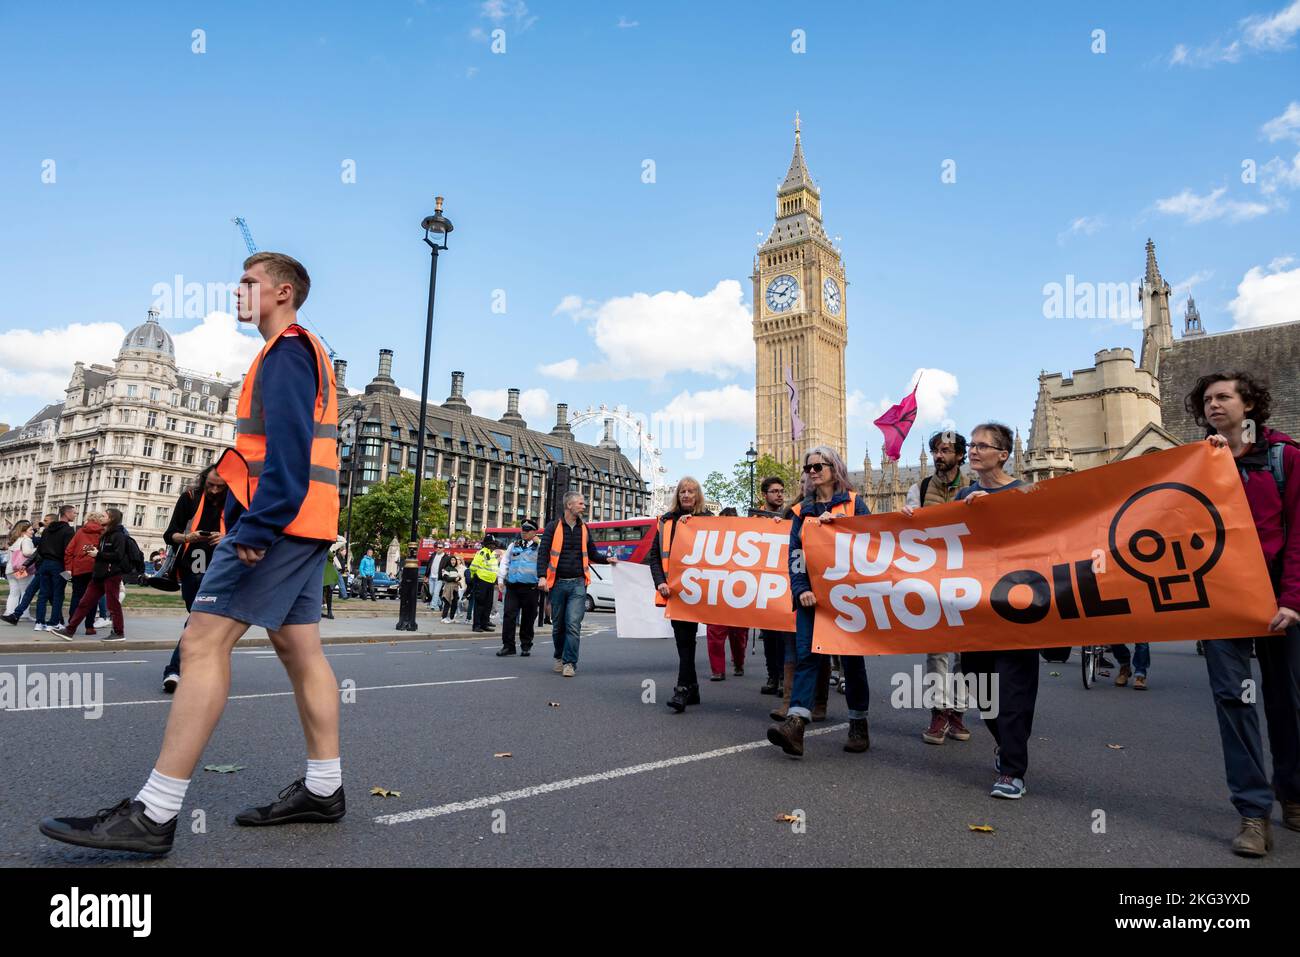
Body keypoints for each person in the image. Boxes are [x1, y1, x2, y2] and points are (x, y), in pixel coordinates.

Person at [40, 250, 344, 855]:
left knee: (202, 643)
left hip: (275, 523)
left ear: (283, 292)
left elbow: (286, 452)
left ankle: (155, 812)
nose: (238, 291)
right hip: (310, 523)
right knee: (301, 649)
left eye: (249, 282)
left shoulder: (286, 353)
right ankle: (324, 786)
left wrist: (255, 531)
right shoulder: (308, 352)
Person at [1188, 372, 1300, 857]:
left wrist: (1292, 598)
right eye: (1207, 399)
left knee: (1288, 701)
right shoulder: (1195, 464)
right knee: (1234, 701)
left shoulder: (1284, 457)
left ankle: (1293, 793)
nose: (1213, 405)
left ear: (1249, 403)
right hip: (1222, 598)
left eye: (1223, 397)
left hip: (1279, 597)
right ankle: (1253, 813)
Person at [947, 422, 1035, 799]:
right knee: (980, 686)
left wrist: (1000, 510)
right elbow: (938, 540)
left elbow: (1043, 538)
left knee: (1014, 689)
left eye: (984, 445)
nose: (974, 450)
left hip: (1019, 606)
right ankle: (1005, 744)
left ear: (1003, 454)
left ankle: (1013, 770)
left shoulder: (1027, 492)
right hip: (976, 608)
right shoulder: (965, 494)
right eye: (973, 445)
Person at [767, 446, 871, 757]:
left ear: (833, 468)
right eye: (808, 467)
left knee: (852, 661)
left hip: (848, 596)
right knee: (807, 658)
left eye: (818, 466)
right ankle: (796, 724)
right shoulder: (802, 511)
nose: (812, 472)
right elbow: (795, 555)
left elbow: (872, 546)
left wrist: (839, 530)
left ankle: (858, 722)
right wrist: (800, 590)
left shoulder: (854, 504)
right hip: (811, 597)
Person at [902, 431, 974, 745]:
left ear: (960, 455)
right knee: (937, 652)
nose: (938, 456)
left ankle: (958, 711)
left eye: (945, 450)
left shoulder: (976, 488)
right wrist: (902, 519)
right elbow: (903, 533)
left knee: (967, 653)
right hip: (933, 578)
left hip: (970, 578)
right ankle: (939, 711)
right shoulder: (919, 489)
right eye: (935, 451)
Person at [158, 467, 230, 692]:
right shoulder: (189, 498)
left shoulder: (235, 502)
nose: (215, 490)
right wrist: (188, 537)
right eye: (210, 485)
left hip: (222, 568)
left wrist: (227, 537)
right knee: (199, 620)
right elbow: (170, 534)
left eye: (220, 487)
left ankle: (174, 670)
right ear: (203, 480)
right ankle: (197, 666)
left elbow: (248, 531)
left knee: (198, 620)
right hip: (192, 566)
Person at [537, 490, 618, 677]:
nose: (584, 506)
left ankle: (570, 663)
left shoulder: (584, 528)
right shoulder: (553, 527)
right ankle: (558, 656)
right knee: (558, 626)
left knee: (573, 624)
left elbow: (592, 553)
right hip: (557, 584)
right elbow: (543, 553)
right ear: (569, 505)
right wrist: (542, 576)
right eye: (580, 503)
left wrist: (608, 559)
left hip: (578, 584)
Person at [648, 477, 712, 711]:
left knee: (686, 642)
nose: (686, 495)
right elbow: (654, 556)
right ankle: (689, 688)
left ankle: (683, 690)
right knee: (684, 641)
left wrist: (693, 526)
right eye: (682, 491)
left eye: (691, 491)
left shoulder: (708, 520)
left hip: (699, 591)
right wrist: (660, 582)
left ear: (697, 495)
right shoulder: (665, 522)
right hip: (675, 591)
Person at [50, 508, 129, 641]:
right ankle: (69, 630)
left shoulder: (118, 535)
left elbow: (118, 555)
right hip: (98, 574)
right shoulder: (104, 534)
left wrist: (98, 554)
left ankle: (119, 632)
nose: (101, 517)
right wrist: (95, 552)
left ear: (112, 519)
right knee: (84, 602)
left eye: (104, 516)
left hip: (111, 574)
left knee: (113, 604)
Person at [3, 505, 76, 630]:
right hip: (57, 565)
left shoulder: (47, 531)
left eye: (46, 521)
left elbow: (39, 551)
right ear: (67, 514)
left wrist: (26, 564)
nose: (75, 515)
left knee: (42, 594)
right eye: (74, 512)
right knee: (56, 594)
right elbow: (68, 551)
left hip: (43, 565)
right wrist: (69, 569)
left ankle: (39, 622)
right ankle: (54, 622)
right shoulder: (68, 530)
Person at [750, 476, 792, 697]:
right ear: (764, 495)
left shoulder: (791, 516)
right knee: (769, 635)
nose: (779, 495)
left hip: (784, 581)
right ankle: (773, 676)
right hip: (763, 581)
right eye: (774, 491)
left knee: (785, 635)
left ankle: (785, 677)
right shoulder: (756, 518)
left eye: (781, 491)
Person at [705, 507, 750, 680]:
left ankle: (739, 662)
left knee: (738, 635)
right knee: (715, 633)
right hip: (718, 593)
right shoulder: (713, 539)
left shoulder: (746, 540)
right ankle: (717, 670)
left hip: (739, 593)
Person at [496, 521, 541, 656]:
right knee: (509, 616)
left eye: (527, 530)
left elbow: (548, 559)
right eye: (523, 530)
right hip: (513, 586)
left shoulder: (540, 546)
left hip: (531, 587)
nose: (524, 532)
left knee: (528, 617)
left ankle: (526, 645)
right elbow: (505, 562)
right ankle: (508, 646)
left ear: (534, 532)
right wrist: (500, 578)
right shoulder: (513, 545)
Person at [61, 512, 107, 638]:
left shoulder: (80, 532)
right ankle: (89, 626)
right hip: (95, 569)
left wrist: (69, 568)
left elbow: (69, 551)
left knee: (76, 597)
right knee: (92, 598)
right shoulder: (103, 533)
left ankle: (71, 624)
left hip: (79, 568)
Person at [4, 521, 38, 618]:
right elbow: (27, 553)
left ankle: (9, 612)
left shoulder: (14, 540)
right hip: (22, 569)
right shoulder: (26, 540)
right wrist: (37, 550)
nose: (33, 532)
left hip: (11, 569)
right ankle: (23, 614)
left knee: (13, 593)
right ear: (23, 531)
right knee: (25, 592)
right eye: (31, 530)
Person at [468, 536, 498, 633]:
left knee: (488, 604)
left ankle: (484, 624)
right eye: (492, 544)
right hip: (481, 581)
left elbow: (493, 568)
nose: (493, 546)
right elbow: (473, 566)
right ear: (487, 544)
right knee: (480, 604)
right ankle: (476, 625)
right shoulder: (482, 552)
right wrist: (474, 577)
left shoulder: (492, 554)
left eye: (494, 544)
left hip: (490, 582)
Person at [439, 555, 464, 623]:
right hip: (449, 587)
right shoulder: (448, 568)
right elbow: (445, 578)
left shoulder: (455, 569)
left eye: (454, 560)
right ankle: (443, 618)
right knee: (447, 603)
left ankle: (451, 618)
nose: (453, 561)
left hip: (455, 588)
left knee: (454, 603)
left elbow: (455, 579)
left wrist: (459, 578)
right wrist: (454, 579)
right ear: (449, 561)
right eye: (452, 560)